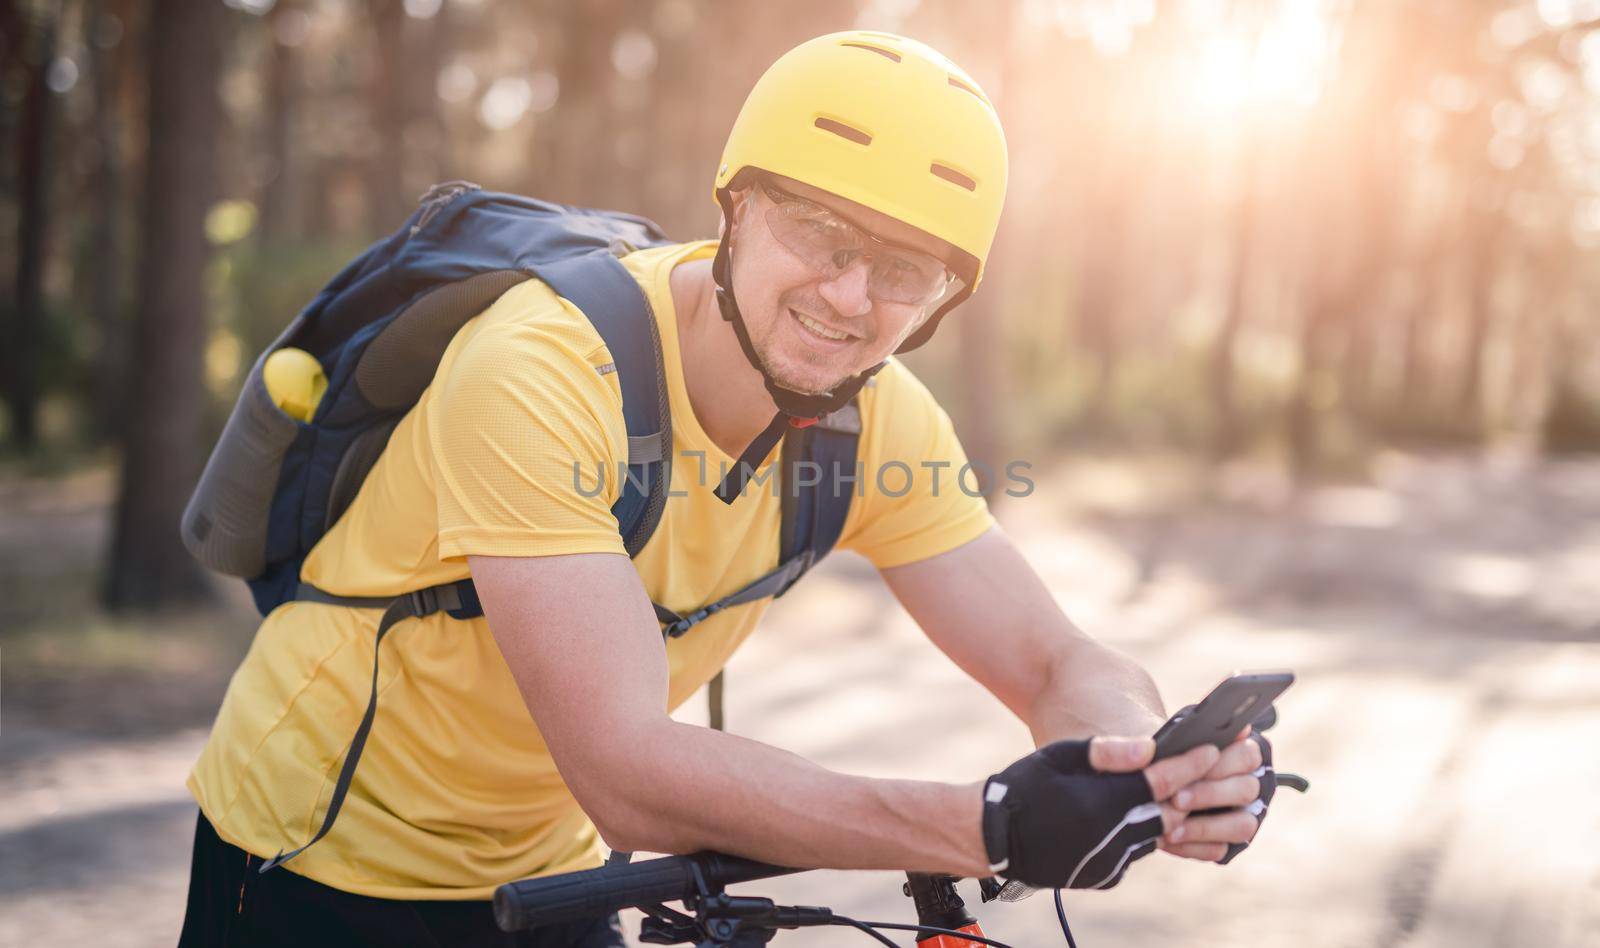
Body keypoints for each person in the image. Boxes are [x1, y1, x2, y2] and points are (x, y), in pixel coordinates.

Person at [178, 31, 1273, 947]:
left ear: (942, 300)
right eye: (821, 231)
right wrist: (984, 826)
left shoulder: (876, 416)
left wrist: (1144, 764)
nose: (850, 296)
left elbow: (1051, 659)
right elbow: (625, 768)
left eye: (905, 270)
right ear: (735, 209)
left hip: (548, 871)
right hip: (313, 858)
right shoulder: (545, 368)